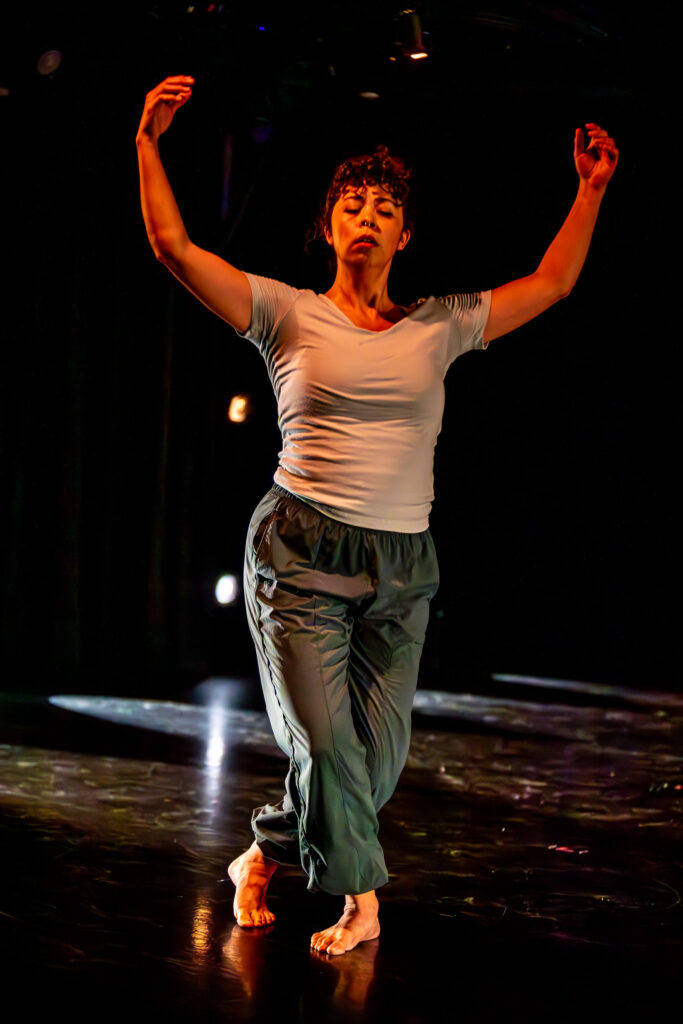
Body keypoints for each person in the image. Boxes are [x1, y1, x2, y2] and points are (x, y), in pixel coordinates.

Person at [136, 75, 619, 956]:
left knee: (375, 763)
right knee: (325, 744)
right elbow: (172, 247)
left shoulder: (440, 324)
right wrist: (148, 143)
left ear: (404, 233)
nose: (367, 214)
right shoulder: (284, 312)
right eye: (350, 204)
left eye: (384, 205)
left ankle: (262, 850)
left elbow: (551, 284)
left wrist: (588, 190)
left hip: (403, 563)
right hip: (299, 554)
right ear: (328, 228)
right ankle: (361, 899)